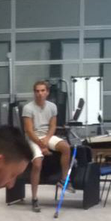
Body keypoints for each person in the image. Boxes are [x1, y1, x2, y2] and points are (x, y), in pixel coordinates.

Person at [22, 80, 74, 213]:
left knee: (66, 147)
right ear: (34, 93)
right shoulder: (28, 108)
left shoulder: (52, 107)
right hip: (33, 138)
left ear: (47, 92)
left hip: (47, 136)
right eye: (37, 91)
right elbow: (29, 131)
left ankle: (63, 180)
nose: (40, 93)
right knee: (37, 164)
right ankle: (34, 198)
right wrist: (42, 146)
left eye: (42, 91)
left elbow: (52, 126)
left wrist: (46, 140)